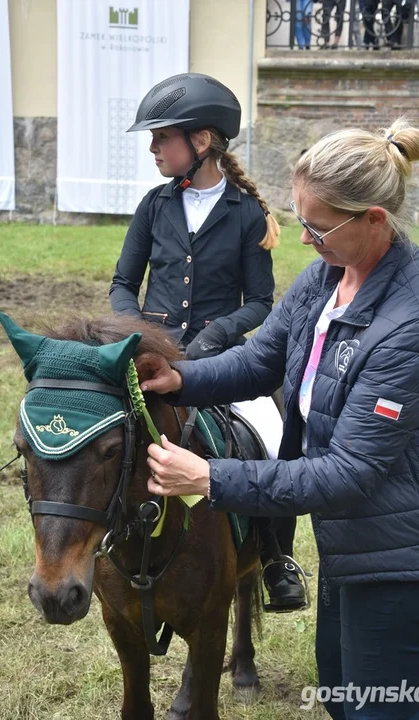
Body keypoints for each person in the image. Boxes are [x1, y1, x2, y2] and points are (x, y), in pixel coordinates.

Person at [140, 118, 419, 719]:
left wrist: (210, 478)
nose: (303, 241)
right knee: (343, 697)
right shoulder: (331, 273)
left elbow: (347, 471)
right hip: (358, 543)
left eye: (317, 228)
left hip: (408, 557)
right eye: (301, 222)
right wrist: (182, 376)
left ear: (374, 219)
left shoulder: (413, 326)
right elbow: (264, 355)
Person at [109, 72, 305, 611]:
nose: (151, 148)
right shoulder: (154, 205)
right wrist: (140, 336)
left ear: (201, 141)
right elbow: (124, 285)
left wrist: (216, 336)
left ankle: (275, 559)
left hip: (225, 361)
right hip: (153, 355)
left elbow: (261, 301)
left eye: (160, 136)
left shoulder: (246, 213)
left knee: (274, 435)